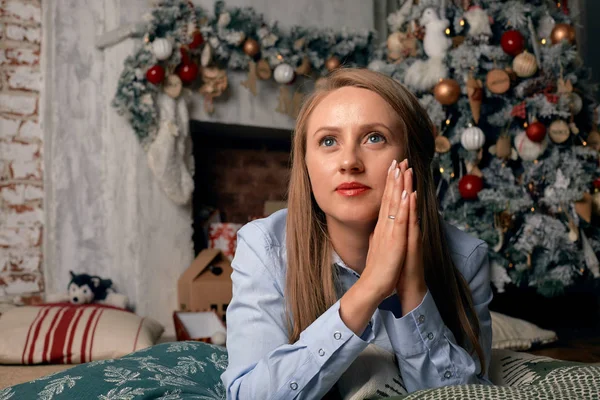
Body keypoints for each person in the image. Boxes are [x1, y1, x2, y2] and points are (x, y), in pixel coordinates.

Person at [221, 68, 493, 399]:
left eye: (374, 137)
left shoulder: (466, 257)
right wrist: (371, 287)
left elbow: (467, 395)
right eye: (328, 141)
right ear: (306, 164)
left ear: (413, 159)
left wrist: (411, 288)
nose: (349, 161)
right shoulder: (265, 247)